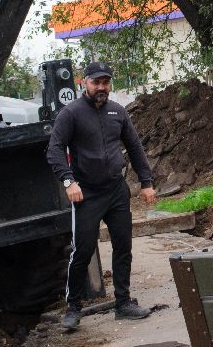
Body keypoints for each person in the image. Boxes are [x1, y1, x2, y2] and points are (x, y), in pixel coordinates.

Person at [45, 61, 157, 330]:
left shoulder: (118, 111)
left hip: (116, 190)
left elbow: (134, 146)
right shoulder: (71, 113)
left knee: (123, 247)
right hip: (87, 193)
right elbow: (54, 149)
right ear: (84, 82)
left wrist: (146, 182)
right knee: (82, 250)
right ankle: (73, 308)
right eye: (96, 82)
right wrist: (69, 182)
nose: (101, 87)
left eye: (105, 82)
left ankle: (123, 303)